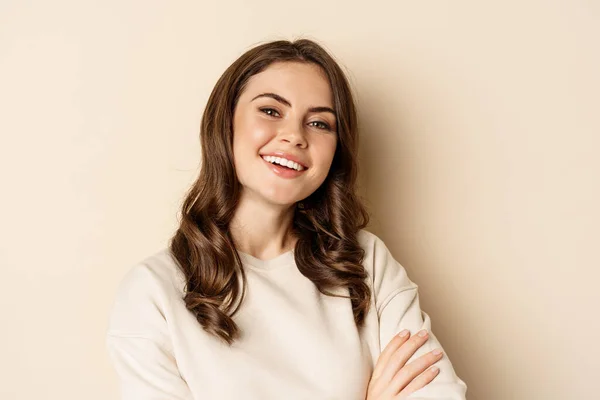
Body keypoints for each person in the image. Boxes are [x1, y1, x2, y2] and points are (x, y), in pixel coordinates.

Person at [105, 39, 467, 400]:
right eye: (271, 111)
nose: (295, 136)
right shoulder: (153, 292)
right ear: (225, 121)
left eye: (319, 123)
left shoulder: (366, 261)